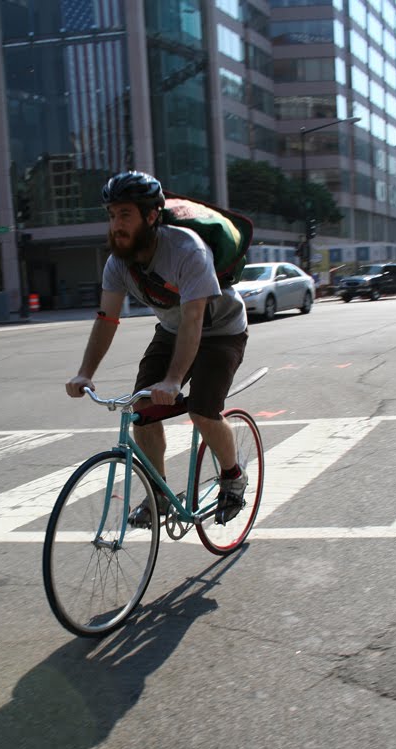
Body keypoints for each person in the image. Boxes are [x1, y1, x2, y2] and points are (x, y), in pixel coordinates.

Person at [66, 170, 249, 527]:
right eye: (112, 215)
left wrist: (174, 379)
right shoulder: (118, 262)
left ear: (151, 216)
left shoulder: (186, 250)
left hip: (221, 329)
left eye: (125, 215)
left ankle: (233, 476)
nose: (116, 224)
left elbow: (195, 319)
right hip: (172, 329)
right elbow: (107, 319)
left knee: (202, 410)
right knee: (142, 409)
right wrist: (85, 372)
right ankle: (160, 495)